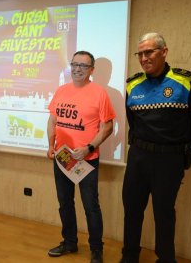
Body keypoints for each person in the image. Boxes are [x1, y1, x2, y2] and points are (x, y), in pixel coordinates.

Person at [121, 33, 191, 263]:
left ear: (164, 52)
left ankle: (166, 258)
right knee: (132, 210)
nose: (143, 58)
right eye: (140, 54)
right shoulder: (132, 84)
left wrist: (183, 154)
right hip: (138, 157)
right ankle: (129, 257)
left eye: (149, 52)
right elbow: (133, 122)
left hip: (168, 161)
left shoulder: (186, 82)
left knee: (164, 214)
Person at [47, 51, 116, 263]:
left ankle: (96, 249)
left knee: (90, 206)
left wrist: (88, 147)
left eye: (83, 66)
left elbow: (107, 127)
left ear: (91, 70)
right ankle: (69, 242)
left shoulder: (99, 93)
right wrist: (51, 145)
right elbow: (53, 121)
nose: (78, 69)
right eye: (75, 64)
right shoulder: (61, 91)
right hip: (63, 158)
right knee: (65, 203)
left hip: (86, 158)